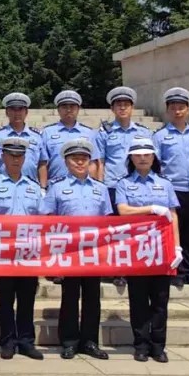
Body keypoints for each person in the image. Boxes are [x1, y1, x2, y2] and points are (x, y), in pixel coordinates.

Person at [40, 138, 113, 360]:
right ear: (66, 162)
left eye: (84, 159)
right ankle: (69, 341)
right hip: (69, 252)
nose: (80, 163)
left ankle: (90, 341)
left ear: (90, 162)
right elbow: (48, 219)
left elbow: (108, 221)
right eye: (75, 159)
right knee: (70, 296)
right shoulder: (57, 187)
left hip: (93, 252)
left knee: (92, 297)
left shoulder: (100, 189)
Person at [115, 137, 184, 363]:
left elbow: (173, 215)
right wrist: (151, 208)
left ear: (154, 157)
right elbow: (123, 210)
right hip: (136, 249)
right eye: (138, 155)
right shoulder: (124, 184)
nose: (143, 158)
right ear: (131, 158)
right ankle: (141, 345)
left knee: (160, 301)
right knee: (138, 300)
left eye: (147, 154)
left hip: (162, 249)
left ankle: (158, 346)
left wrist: (177, 246)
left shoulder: (165, 184)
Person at [0, 136, 44, 360]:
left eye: (19, 156)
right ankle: (7, 341)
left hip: (28, 252)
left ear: (24, 158)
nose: (16, 159)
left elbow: (43, 220)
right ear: (3, 157)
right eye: (11, 155)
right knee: (5, 300)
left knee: (27, 299)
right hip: (5, 253)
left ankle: (26, 342)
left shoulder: (34, 188)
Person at [152, 87, 189, 288]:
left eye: (181, 107)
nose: (177, 111)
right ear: (168, 110)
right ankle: (175, 272)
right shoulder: (160, 136)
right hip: (172, 190)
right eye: (173, 107)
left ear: (188, 110)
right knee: (173, 232)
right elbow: (156, 166)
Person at [95, 86, 151, 293]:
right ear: (112, 109)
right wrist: (99, 186)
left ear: (132, 107)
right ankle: (116, 270)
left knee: (133, 230)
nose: (122, 107)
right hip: (112, 185)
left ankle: (133, 266)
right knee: (114, 230)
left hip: (136, 186)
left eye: (126, 104)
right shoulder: (105, 132)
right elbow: (100, 161)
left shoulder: (143, 132)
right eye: (118, 104)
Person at [0, 92, 46, 188]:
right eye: (13, 109)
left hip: (30, 186)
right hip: (3, 186)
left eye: (20, 109)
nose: (17, 113)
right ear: (6, 112)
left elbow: (42, 163)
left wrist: (43, 187)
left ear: (26, 112)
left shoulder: (37, 136)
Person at [41, 90, 99, 185]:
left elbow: (92, 163)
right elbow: (43, 163)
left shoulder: (89, 133)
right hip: (55, 184)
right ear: (58, 110)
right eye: (64, 107)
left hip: (82, 184)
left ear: (78, 109)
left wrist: (93, 185)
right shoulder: (47, 132)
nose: (68, 110)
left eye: (72, 106)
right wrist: (43, 187)